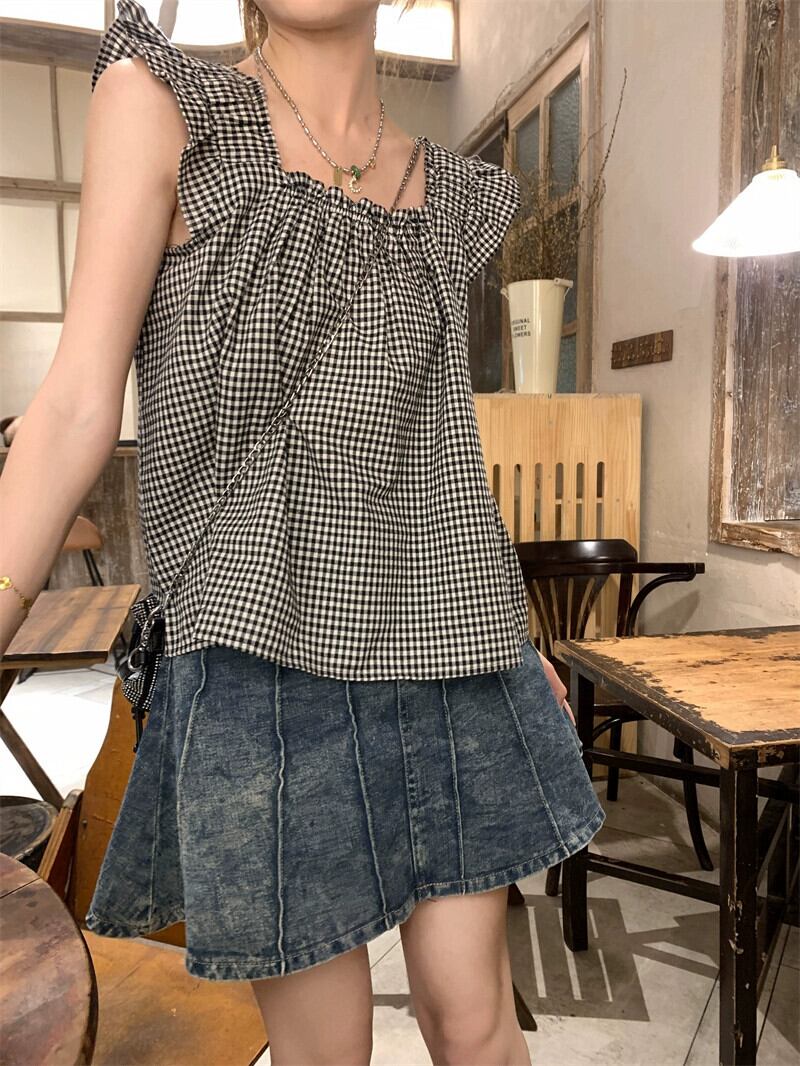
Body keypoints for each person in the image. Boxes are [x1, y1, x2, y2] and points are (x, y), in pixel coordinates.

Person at [0, 1, 604, 1062]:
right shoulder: (165, 107)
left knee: (477, 1026)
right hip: (257, 664)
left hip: (451, 651)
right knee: (328, 1051)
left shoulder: (449, 194)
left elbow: (437, 447)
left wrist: (511, 633)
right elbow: (76, 404)